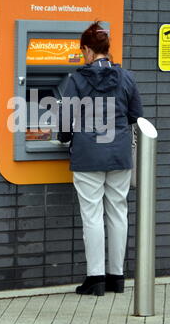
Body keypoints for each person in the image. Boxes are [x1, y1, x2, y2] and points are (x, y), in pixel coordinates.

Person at [57, 21, 143, 296]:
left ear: (88, 50)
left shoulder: (77, 79)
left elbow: (65, 123)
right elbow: (135, 116)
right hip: (118, 155)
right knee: (118, 212)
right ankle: (117, 277)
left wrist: (63, 137)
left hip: (88, 155)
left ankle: (95, 279)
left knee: (92, 215)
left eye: (83, 51)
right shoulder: (126, 77)